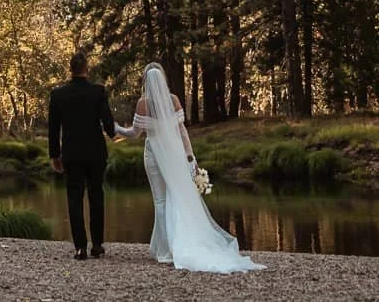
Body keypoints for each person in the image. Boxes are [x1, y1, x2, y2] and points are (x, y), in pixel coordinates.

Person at [114, 62, 263, 273]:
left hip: (154, 154)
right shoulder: (173, 100)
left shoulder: (143, 103)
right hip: (174, 153)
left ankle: (166, 250)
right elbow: (182, 131)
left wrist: (117, 129)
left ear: (147, 81)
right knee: (178, 196)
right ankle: (170, 246)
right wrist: (190, 156)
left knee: (160, 200)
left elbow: (135, 134)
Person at [46, 50, 115, 260]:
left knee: (74, 198)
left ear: (71, 69)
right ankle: (97, 245)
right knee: (96, 196)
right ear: (87, 68)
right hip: (95, 153)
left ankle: (80, 248)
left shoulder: (58, 94)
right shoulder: (98, 92)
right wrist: (112, 132)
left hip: (71, 153)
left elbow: (53, 129)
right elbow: (109, 125)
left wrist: (54, 155)